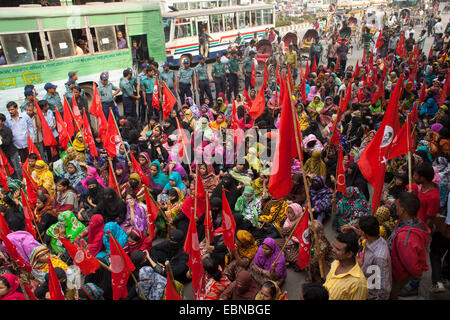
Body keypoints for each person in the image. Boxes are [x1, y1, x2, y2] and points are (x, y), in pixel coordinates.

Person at [388, 192, 431, 299]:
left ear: (402, 211)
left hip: (399, 275)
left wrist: (416, 275)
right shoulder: (412, 222)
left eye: (397, 206)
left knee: (393, 294)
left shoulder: (405, 238)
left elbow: (411, 264)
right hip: (400, 272)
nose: (395, 207)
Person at [323, 230, 368, 300]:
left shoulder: (358, 283)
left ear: (349, 254)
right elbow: (328, 280)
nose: (333, 250)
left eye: (338, 249)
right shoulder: (336, 262)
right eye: (334, 246)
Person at [357, 216, 392, 300]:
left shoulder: (379, 257)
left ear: (364, 233)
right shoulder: (376, 240)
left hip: (371, 294)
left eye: (359, 230)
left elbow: (384, 287)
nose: (358, 232)